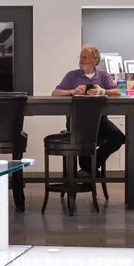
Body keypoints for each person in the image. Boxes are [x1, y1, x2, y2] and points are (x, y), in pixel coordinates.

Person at [52, 44, 128, 177]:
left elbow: (117, 92)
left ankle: (89, 166)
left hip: (100, 120)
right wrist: (72, 91)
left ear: (94, 60)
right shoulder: (72, 75)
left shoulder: (103, 75)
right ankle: (88, 171)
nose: (81, 60)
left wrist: (102, 91)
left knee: (118, 138)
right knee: (83, 139)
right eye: (80, 57)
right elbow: (55, 93)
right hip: (76, 121)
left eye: (85, 57)